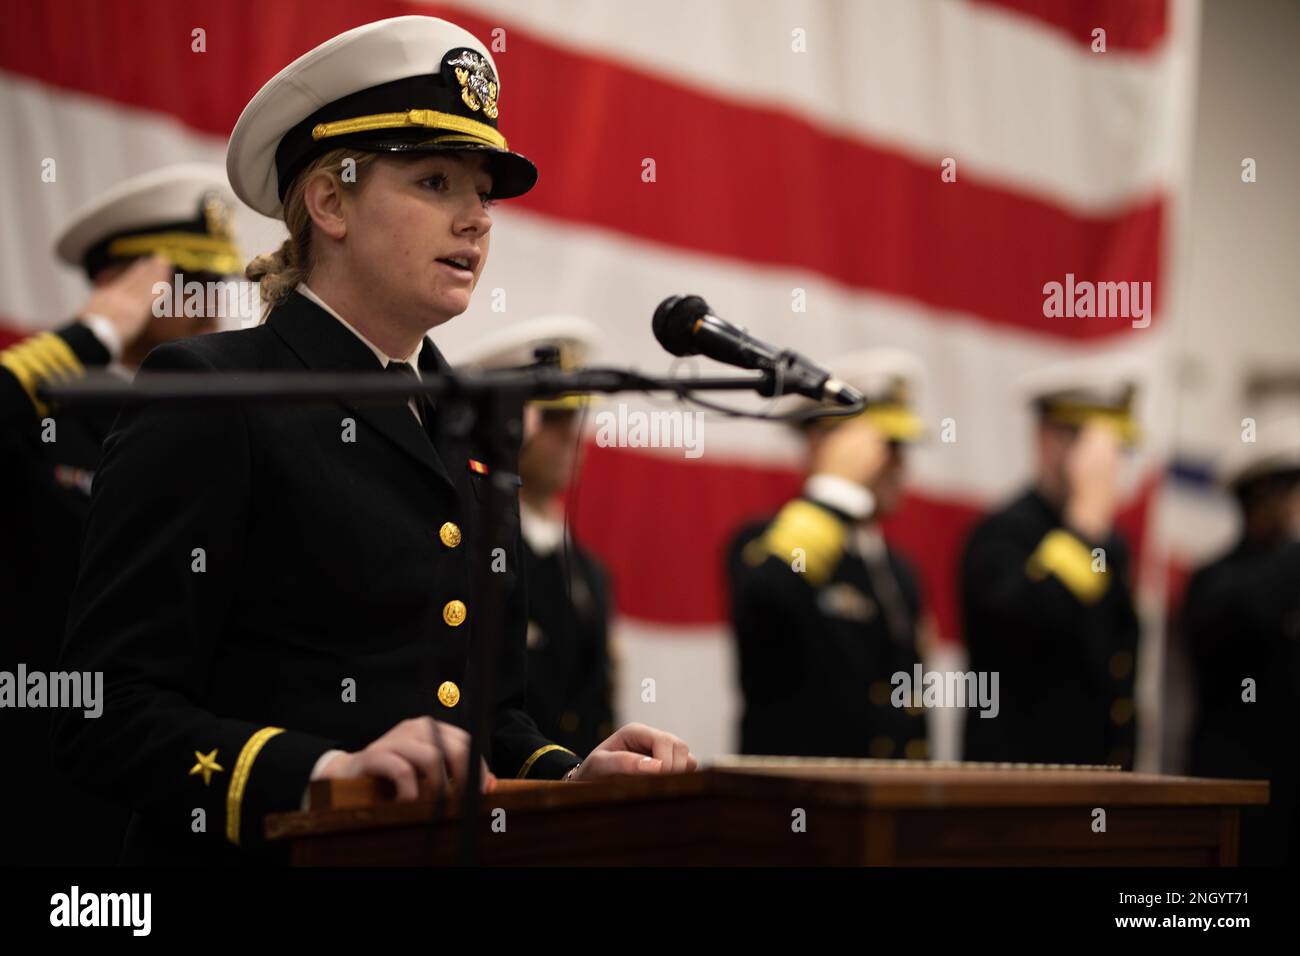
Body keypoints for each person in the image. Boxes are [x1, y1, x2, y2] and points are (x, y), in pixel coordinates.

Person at [53, 15, 694, 865]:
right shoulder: (213, 392)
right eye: (435, 181)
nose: (477, 219)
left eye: (484, 193)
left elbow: (488, 719)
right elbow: (103, 706)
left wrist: (569, 778)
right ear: (330, 201)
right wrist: (323, 773)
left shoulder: (465, 421)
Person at [0, 164, 241, 864]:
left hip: (174, 792)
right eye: (189, 283)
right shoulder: (49, 421)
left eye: (219, 286)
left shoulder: (213, 432)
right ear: (127, 287)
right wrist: (88, 336)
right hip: (40, 792)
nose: (210, 308)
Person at [726, 349, 931, 759]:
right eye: (886, 445)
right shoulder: (761, 541)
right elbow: (769, 597)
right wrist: (834, 489)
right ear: (824, 439)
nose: (900, 462)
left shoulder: (897, 569)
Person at [960, 364, 1141, 767]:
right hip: (1019, 780)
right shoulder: (1001, 534)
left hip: (1097, 776)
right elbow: (1024, 624)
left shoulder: (1111, 545)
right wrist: (1084, 526)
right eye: (1093, 447)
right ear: (1049, 438)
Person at [458, 316, 616, 755]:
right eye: (551, 418)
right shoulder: (473, 547)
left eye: (575, 417)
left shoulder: (589, 570)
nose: (571, 434)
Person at [1184, 415, 1300, 864]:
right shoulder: (1216, 582)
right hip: (1242, 803)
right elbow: (1250, 607)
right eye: (1291, 493)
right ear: (1259, 497)